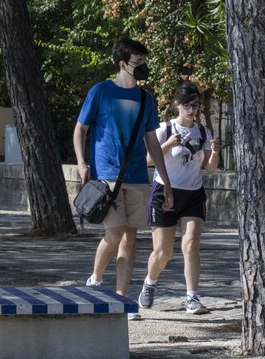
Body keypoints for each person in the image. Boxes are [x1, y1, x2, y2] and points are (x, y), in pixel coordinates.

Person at [73, 37, 173, 320]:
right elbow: (80, 130)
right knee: (114, 233)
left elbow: (152, 141)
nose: (143, 67)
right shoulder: (101, 92)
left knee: (131, 235)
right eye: (137, 63)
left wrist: (163, 180)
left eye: (144, 62)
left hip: (138, 176)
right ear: (122, 64)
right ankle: (95, 278)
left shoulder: (146, 98)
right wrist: (82, 163)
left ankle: (121, 299)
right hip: (106, 175)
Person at [138, 81, 220, 315]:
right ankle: (149, 283)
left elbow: (211, 168)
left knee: (191, 245)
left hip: (193, 193)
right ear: (177, 104)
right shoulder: (164, 129)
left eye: (195, 105)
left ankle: (192, 298)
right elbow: (147, 161)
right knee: (163, 252)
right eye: (187, 105)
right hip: (165, 192)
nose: (191, 110)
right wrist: (166, 145)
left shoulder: (203, 131)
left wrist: (214, 152)